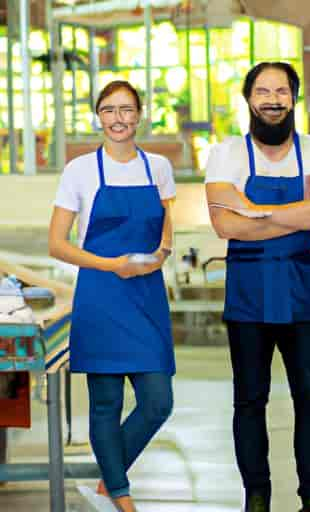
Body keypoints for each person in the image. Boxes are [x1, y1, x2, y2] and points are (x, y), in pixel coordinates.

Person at [205, 62, 310, 512]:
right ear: (248, 99)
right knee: (249, 398)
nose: (272, 99)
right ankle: (256, 494)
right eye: (262, 91)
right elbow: (225, 224)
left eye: (281, 91)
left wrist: (256, 211)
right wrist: (295, 213)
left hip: (301, 292)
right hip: (248, 293)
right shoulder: (227, 153)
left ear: (294, 98)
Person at [49, 80, 175, 512]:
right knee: (106, 403)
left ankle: (108, 480)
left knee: (159, 401)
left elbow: (167, 221)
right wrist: (111, 265)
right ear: (97, 116)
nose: (118, 118)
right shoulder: (80, 170)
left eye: (126, 109)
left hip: (146, 293)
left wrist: (163, 252)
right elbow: (58, 244)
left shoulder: (157, 166)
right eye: (109, 110)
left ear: (140, 114)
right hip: (101, 292)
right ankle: (120, 496)